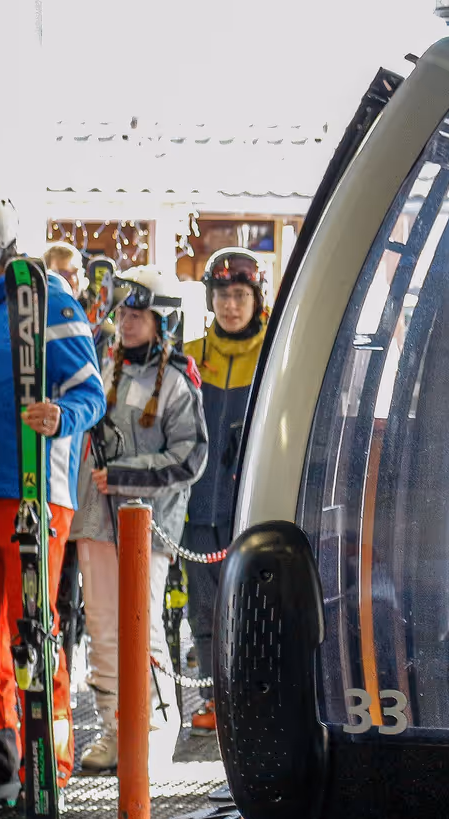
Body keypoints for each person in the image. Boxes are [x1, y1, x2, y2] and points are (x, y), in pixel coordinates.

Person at [0, 199, 105, 808]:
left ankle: (47, 760)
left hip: (35, 491)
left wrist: (63, 418)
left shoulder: (48, 300)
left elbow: (91, 391)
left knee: (32, 629)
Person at [71, 265, 208, 772]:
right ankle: (114, 729)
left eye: (138, 314)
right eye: (124, 313)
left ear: (163, 319)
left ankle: (155, 728)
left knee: (142, 627)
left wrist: (124, 475)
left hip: (144, 527)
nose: (127, 323)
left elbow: (191, 456)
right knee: (103, 632)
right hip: (95, 522)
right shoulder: (104, 370)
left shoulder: (175, 381)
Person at [180, 248, 268, 730]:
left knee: (251, 606)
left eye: (239, 295)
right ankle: (216, 701)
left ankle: (250, 698)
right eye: (222, 296)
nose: (230, 306)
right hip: (197, 508)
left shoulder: (273, 353)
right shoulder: (192, 356)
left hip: (248, 507)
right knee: (205, 611)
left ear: (256, 299)